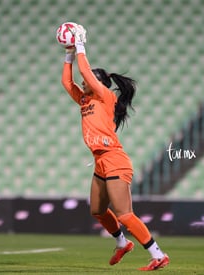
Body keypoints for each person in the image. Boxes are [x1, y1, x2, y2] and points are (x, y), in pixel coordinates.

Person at [61, 24, 169, 271]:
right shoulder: (85, 100)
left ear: (101, 83)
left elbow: (86, 74)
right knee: (98, 210)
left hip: (115, 159)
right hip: (100, 161)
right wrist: (68, 54)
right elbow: (67, 83)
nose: (83, 81)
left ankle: (158, 254)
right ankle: (122, 243)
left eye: (89, 80)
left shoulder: (106, 97)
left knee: (124, 214)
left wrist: (80, 47)